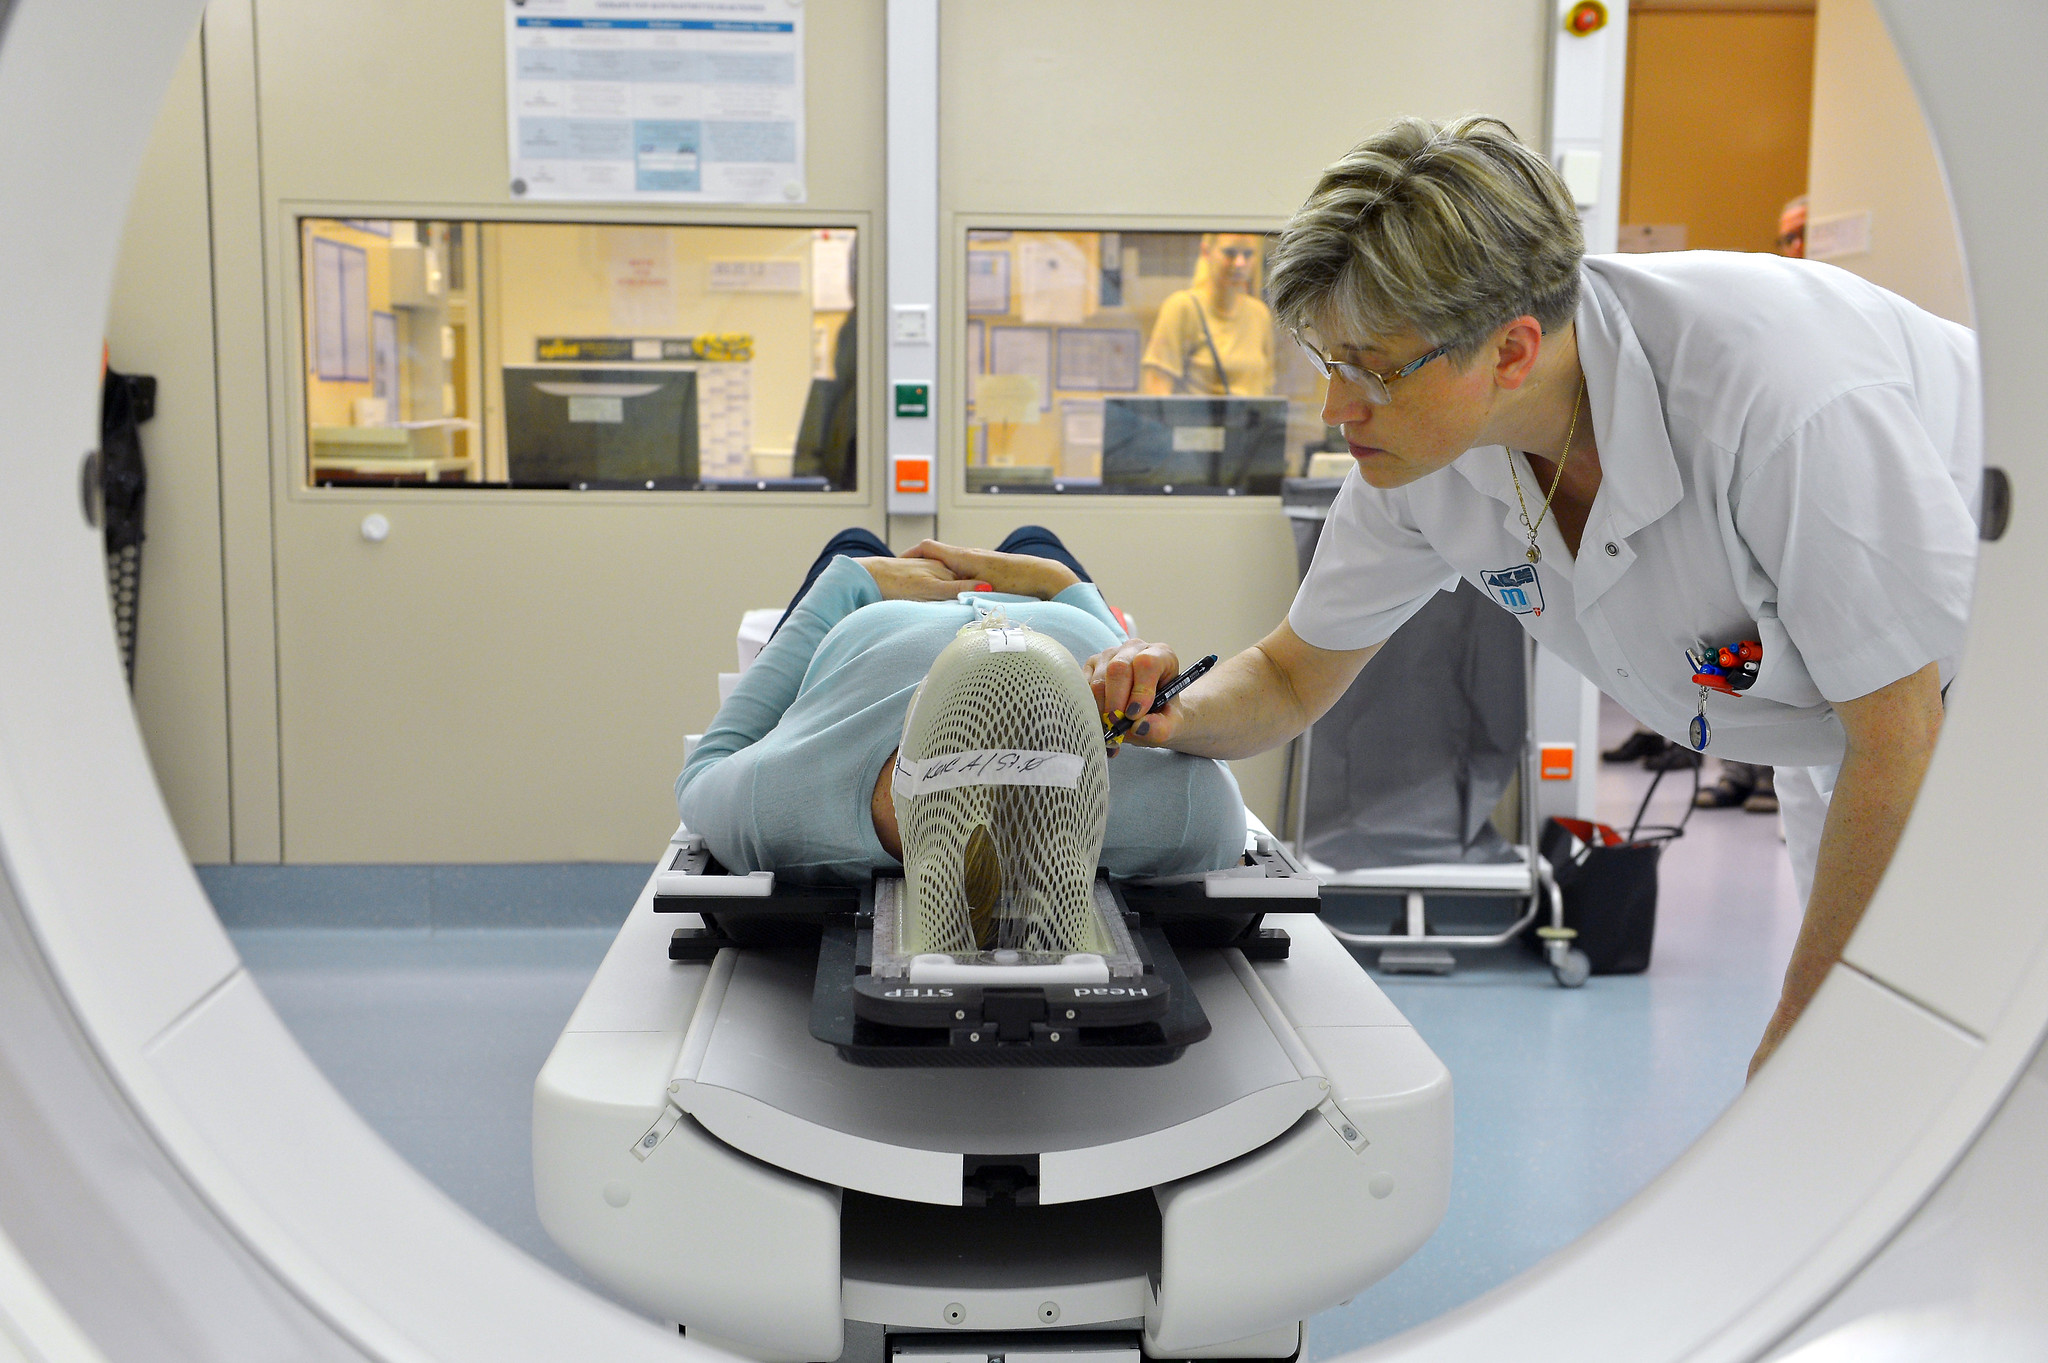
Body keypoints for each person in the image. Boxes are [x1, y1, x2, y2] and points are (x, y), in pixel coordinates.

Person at [1088, 116, 1978, 1077]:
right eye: (1327, 361)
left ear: (1510, 351)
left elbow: (1903, 733)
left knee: (1942, 1049)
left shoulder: (1782, 402)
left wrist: (1797, 1042)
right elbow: (1290, 676)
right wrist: (1169, 714)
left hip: (1984, 698)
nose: (1338, 407)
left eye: (1372, 367)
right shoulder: (1430, 451)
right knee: (1876, 1067)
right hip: (1841, 734)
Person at [678, 527, 1245, 886]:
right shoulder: (1189, 814)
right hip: (1053, 602)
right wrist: (1059, 583)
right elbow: (1117, 658)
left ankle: (855, 555)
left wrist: (855, 580)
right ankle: (1036, 554)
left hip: (872, 607)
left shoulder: (780, 800)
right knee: (1035, 538)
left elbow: (706, 767)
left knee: (849, 542)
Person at [1140, 233, 1277, 396]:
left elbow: (1266, 385)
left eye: (1248, 254)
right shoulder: (1182, 308)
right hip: (1198, 420)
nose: (1240, 263)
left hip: (1250, 419)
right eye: (1230, 253)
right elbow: (1157, 389)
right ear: (1206, 252)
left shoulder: (1259, 314)